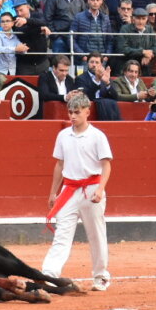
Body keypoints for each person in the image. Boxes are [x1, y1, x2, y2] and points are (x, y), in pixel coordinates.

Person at [42, 91, 113, 292]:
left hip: (91, 190)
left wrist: (100, 189)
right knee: (62, 234)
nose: (72, 116)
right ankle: (49, 275)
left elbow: (106, 166)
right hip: (69, 190)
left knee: (96, 234)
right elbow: (59, 165)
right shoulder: (63, 135)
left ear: (87, 112)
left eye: (77, 112)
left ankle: (101, 276)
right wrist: (52, 193)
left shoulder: (98, 136)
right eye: (70, 112)